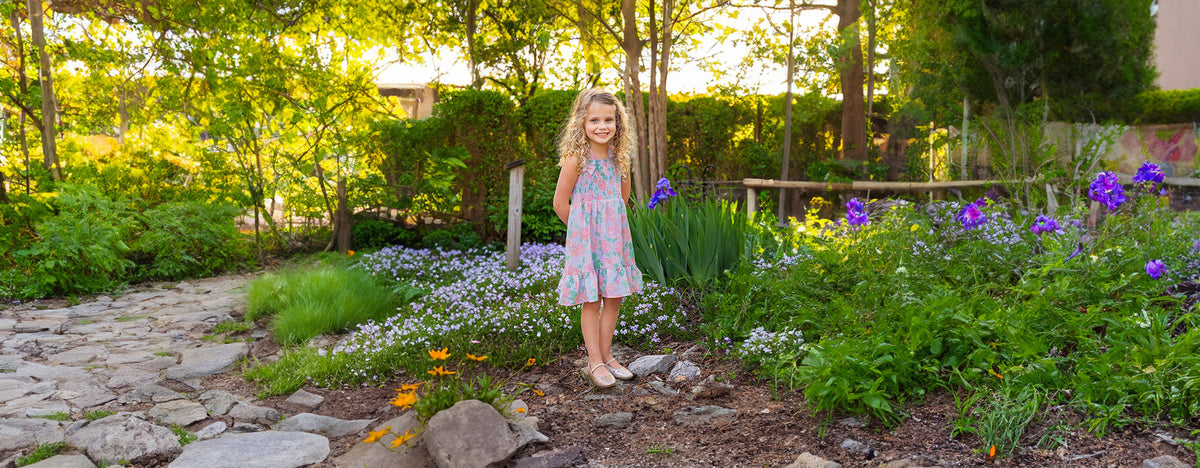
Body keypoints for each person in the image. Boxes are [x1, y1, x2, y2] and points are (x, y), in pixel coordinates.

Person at [552, 88, 644, 389]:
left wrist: (609, 229)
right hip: (586, 242)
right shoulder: (577, 160)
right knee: (591, 300)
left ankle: (608, 356)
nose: (602, 126)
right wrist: (581, 232)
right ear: (582, 123)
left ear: (618, 123)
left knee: (614, 296)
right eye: (594, 120)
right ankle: (594, 361)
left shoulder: (620, 160)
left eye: (609, 120)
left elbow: (622, 199)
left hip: (614, 241)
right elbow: (560, 203)